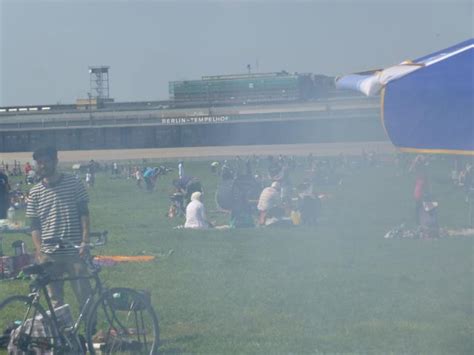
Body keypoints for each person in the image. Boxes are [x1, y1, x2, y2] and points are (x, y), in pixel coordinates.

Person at [26, 146, 92, 308]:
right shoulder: (35, 192)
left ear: (55, 161)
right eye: (39, 163)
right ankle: (61, 332)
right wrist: (39, 249)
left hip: (74, 250)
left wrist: (85, 240)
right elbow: (34, 225)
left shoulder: (74, 183)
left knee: (85, 295)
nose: (42, 166)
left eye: (46, 161)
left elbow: (84, 213)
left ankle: (93, 330)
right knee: (55, 299)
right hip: (49, 254)